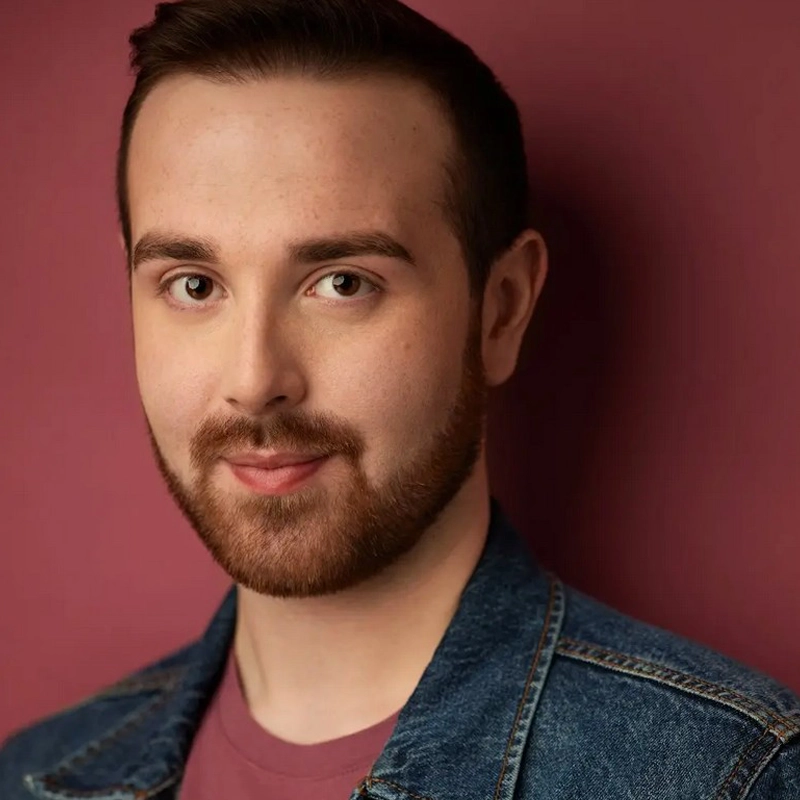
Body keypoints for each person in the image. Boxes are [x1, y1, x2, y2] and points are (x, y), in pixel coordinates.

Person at [2, 0, 799, 797]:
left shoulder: (727, 777)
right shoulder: (29, 776)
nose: (253, 380)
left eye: (342, 283)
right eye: (194, 285)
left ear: (502, 309)